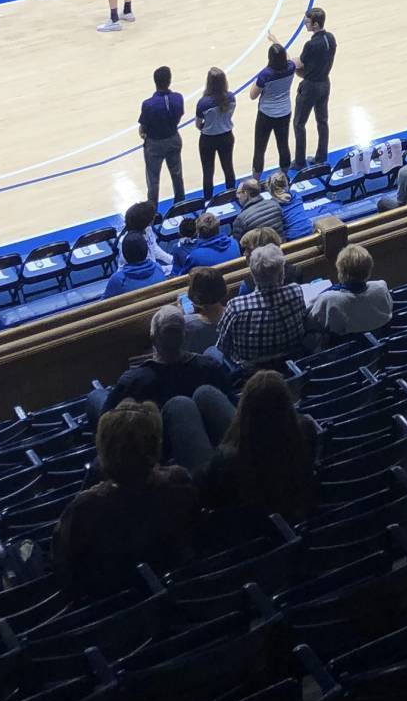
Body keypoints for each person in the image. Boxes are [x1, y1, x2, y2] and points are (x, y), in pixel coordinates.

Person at [54, 400, 198, 597]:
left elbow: (64, 570)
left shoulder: (82, 511)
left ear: (102, 451)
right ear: (157, 447)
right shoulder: (179, 483)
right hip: (185, 596)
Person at [196, 369, 317, 519]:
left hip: (240, 519)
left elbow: (204, 493)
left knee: (182, 404)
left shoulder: (225, 462)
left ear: (244, 407)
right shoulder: (306, 432)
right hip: (283, 513)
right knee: (204, 393)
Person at [213, 243, 311, 370]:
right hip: (292, 366)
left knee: (212, 352)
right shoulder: (295, 291)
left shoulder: (235, 306)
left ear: (253, 275)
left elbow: (223, 347)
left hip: (250, 373)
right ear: (282, 274)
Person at [138, 64, 187, 206]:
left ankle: (152, 210)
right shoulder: (178, 98)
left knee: (153, 180)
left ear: (155, 82)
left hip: (154, 144)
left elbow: (143, 127)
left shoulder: (148, 104)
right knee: (177, 175)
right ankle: (181, 205)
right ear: (169, 80)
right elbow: (179, 115)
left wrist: (143, 133)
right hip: (173, 138)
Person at [247, 40, 296, 177]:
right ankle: (284, 177)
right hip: (284, 112)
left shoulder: (265, 74)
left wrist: (258, 79)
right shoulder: (291, 67)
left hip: (266, 114)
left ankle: (255, 180)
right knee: (283, 145)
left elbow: (252, 95)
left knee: (260, 148)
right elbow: (289, 59)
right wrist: (276, 41)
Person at [294, 6, 336, 167]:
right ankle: (321, 157)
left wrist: (290, 61)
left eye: (307, 22)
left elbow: (300, 63)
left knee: (299, 123)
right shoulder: (330, 38)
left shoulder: (310, 44)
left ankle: (299, 162)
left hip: (310, 86)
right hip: (325, 83)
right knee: (322, 121)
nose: (305, 24)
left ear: (316, 24)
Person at [195, 66, 237, 198]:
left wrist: (208, 127)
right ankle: (232, 195)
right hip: (226, 136)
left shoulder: (203, 103)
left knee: (208, 171)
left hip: (208, 139)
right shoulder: (231, 97)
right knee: (228, 167)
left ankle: (208, 200)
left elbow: (198, 124)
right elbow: (229, 116)